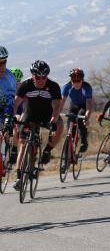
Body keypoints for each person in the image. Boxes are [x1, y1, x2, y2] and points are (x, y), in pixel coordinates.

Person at [13, 60, 64, 189]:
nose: (41, 80)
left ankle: (47, 151)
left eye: (44, 77)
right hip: (30, 115)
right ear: (32, 75)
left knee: (59, 125)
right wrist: (12, 116)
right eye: (37, 77)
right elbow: (16, 103)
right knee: (23, 145)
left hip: (47, 115)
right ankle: (19, 177)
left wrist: (53, 120)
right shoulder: (25, 85)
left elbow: (57, 107)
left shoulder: (53, 86)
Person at [60, 68, 93, 153]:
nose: (76, 83)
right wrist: (56, 115)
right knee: (70, 126)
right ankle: (68, 151)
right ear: (71, 80)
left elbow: (89, 105)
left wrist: (87, 117)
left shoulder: (87, 87)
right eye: (74, 81)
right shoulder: (67, 87)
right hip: (74, 105)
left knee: (80, 119)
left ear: (82, 80)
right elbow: (61, 102)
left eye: (79, 81)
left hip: (84, 106)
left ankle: (84, 141)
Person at [0, 47, 17, 164]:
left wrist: (8, 117)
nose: (2, 67)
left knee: (4, 133)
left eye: (4, 63)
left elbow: (11, 100)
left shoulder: (10, 77)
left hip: (4, 108)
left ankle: (3, 161)